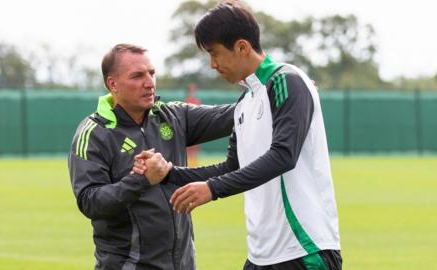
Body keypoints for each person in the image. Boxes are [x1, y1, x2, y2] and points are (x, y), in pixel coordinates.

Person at [133, 1, 342, 269]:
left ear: (242, 47)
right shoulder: (245, 102)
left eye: (215, 53)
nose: (212, 64)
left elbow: (283, 155)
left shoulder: (286, 81)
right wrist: (169, 174)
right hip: (260, 256)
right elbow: (232, 167)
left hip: (303, 250)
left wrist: (212, 189)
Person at [68, 43, 234, 270]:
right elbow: (90, 201)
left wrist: (264, 81)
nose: (149, 83)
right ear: (112, 84)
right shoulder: (95, 132)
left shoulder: (172, 116)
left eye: (152, 73)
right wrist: (142, 180)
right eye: (137, 76)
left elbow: (232, 115)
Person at [184, 83, 201, 167]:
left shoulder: (197, 101)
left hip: (196, 129)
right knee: (187, 150)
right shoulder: (186, 102)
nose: (192, 91)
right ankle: (187, 167)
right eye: (191, 89)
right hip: (188, 130)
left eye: (193, 89)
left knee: (194, 151)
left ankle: (194, 167)